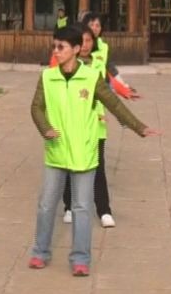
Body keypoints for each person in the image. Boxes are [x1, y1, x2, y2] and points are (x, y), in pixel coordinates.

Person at [30, 25, 156, 276]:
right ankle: (40, 252)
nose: (56, 51)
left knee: (82, 207)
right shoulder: (47, 77)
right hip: (56, 151)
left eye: (61, 47)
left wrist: (139, 127)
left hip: (84, 153)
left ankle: (80, 259)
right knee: (46, 205)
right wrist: (45, 128)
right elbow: (36, 108)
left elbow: (113, 104)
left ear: (76, 49)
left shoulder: (90, 77)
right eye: (54, 46)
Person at [55, 28, 135, 229]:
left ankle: (104, 210)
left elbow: (109, 90)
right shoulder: (66, 65)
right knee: (69, 164)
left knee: (98, 166)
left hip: (95, 123)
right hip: (71, 123)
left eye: (89, 40)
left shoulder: (99, 63)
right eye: (82, 40)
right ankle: (69, 207)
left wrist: (125, 94)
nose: (86, 44)